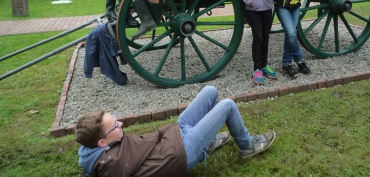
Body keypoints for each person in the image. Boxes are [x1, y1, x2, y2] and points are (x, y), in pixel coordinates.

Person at [76, 86, 276, 176]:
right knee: (228, 106)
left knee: (210, 91)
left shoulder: (93, 150)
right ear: (102, 141)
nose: (120, 124)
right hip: (181, 152)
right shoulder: (114, 165)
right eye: (114, 126)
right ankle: (248, 146)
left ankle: (207, 141)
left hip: (172, 137)